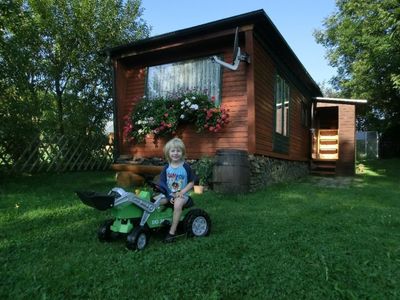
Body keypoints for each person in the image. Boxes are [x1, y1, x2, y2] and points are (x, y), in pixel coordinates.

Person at [158, 137, 195, 243]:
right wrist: (169, 195)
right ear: (168, 153)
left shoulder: (185, 167)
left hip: (183, 196)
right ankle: (157, 222)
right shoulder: (167, 168)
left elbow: (191, 183)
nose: (175, 153)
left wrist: (181, 193)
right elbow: (162, 182)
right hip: (169, 195)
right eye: (173, 151)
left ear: (182, 152)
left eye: (178, 151)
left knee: (178, 204)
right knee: (155, 200)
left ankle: (172, 232)